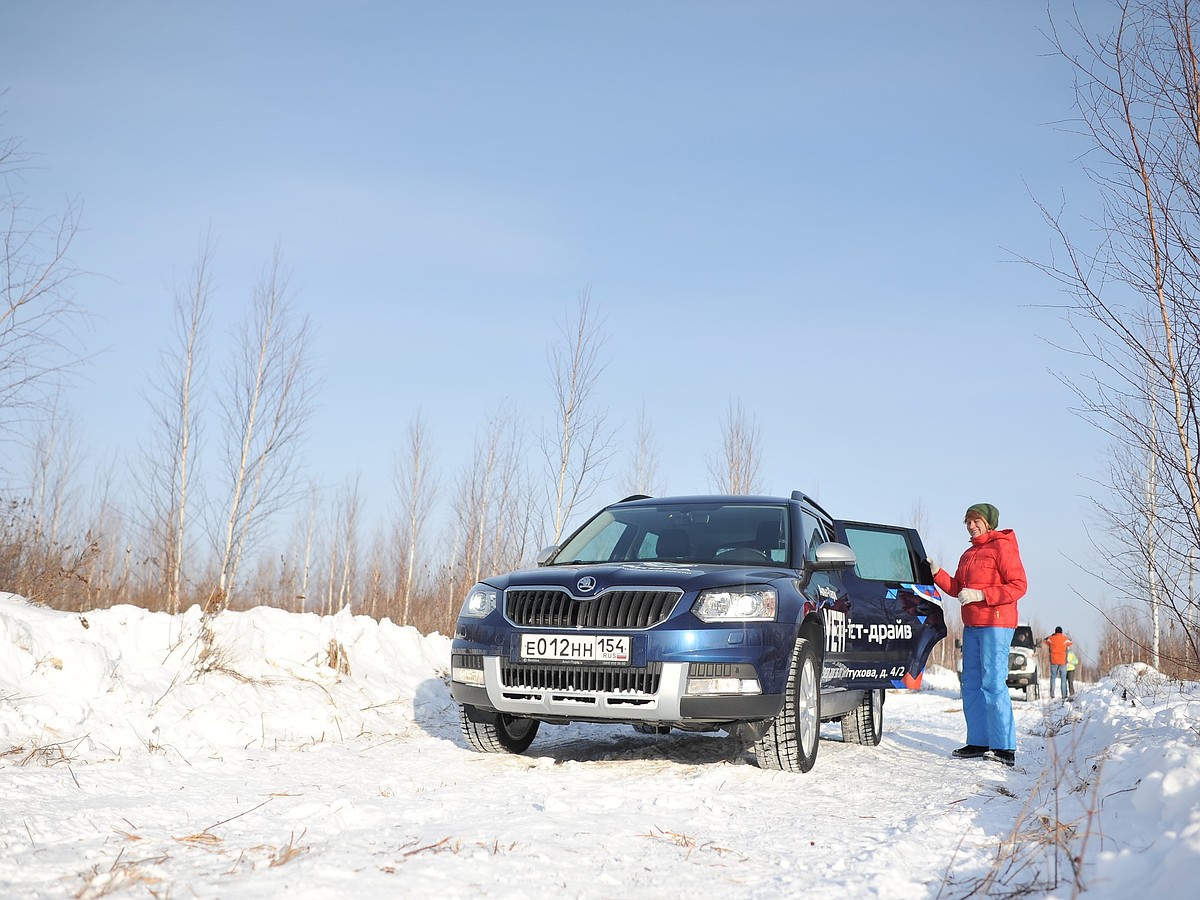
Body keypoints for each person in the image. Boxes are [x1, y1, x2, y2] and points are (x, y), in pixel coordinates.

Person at [929, 503, 1028, 767]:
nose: (971, 526)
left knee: (993, 683)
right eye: (968, 522)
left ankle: (1004, 747)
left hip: (996, 623)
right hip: (971, 625)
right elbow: (957, 587)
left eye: (976, 521)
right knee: (971, 684)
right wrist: (936, 572)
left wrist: (983, 595)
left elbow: (1019, 586)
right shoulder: (968, 554)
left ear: (989, 522)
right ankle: (978, 741)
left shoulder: (1002, 547)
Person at [1044, 626, 1073, 700]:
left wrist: (1052, 635)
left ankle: (1052, 694)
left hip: (1053, 661)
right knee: (1063, 679)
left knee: (1053, 678)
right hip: (1063, 661)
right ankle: (1064, 695)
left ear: (1055, 631)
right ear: (1061, 632)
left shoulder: (1051, 638)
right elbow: (1071, 642)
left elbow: (1045, 640)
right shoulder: (1065, 639)